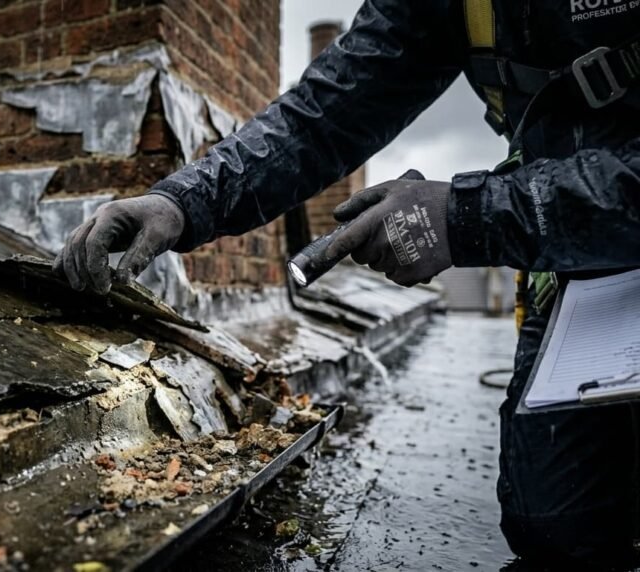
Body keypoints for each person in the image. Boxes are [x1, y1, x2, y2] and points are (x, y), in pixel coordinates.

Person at [54, 0, 640, 567]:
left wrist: (471, 215)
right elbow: (322, 114)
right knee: (557, 524)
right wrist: (179, 202)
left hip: (590, 224)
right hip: (580, 268)